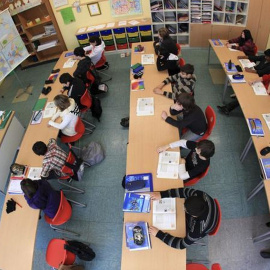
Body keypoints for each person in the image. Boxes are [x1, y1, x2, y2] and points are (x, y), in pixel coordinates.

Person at [149, 187, 219, 249]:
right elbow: (183, 191)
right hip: (210, 212)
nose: (183, 208)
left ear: (193, 216)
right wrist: (161, 195)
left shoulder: (198, 228)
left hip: (206, 226)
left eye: (185, 210)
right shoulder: (198, 194)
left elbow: (180, 245)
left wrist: (158, 234)